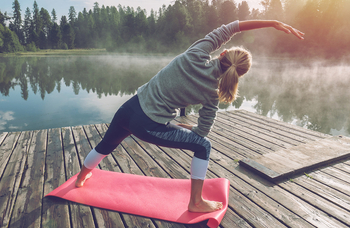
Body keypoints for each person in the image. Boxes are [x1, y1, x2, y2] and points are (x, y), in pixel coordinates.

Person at [75, 19, 304, 213]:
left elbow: (232, 27)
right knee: (203, 145)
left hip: (130, 107)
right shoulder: (213, 93)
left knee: (106, 144)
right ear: (238, 76)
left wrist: (273, 23)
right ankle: (196, 202)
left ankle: (81, 177)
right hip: (148, 125)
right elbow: (202, 133)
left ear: (222, 53)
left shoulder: (196, 53)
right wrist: (183, 127)